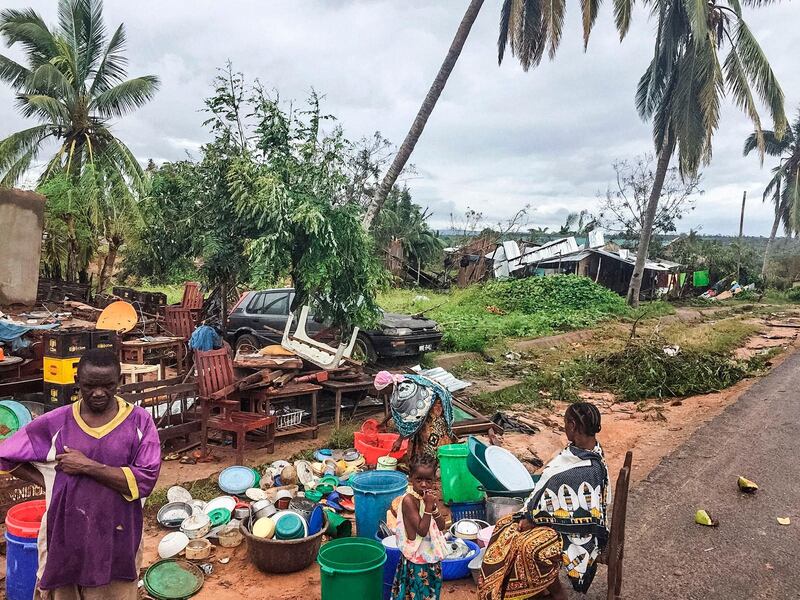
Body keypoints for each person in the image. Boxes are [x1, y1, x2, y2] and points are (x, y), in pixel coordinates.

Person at [0, 349, 161, 600]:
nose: (98, 393)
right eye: (89, 386)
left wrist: (87, 466)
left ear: (119, 382)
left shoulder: (139, 422)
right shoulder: (57, 422)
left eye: (108, 386)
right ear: (77, 381)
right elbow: (6, 453)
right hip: (65, 541)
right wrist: (48, 481)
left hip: (117, 540)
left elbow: (146, 479)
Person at [479, 402, 610, 600]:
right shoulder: (579, 451)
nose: (565, 428)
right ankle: (507, 591)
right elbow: (552, 495)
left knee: (526, 546)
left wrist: (533, 519)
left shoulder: (587, 470)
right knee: (503, 527)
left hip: (577, 532)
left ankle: (547, 593)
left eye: (566, 423)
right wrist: (530, 515)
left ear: (573, 426)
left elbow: (573, 508)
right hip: (558, 520)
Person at [391, 454, 449, 600]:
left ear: (434, 481)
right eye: (419, 480)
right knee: (416, 593)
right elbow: (422, 531)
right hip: (417, 561)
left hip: (430, 557)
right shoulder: (409, 501)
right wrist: (429, 506)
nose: (423, 484)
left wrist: (433, 507)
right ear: (411, 478)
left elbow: (441, 526)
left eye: (428, 480)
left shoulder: (426, 498)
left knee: (430, 592)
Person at [373, 371, 458, 462]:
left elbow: (411, 420)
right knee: (417, 433)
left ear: (388, 386)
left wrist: (399, 440)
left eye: (382, 391)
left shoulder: (405, 392)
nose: (381, 394)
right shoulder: (396, 384)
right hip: (421, 405)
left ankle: (439, 461)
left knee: (431, 434)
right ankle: (419, 460)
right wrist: (384, 421)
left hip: (434, 403)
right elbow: (398, 409)